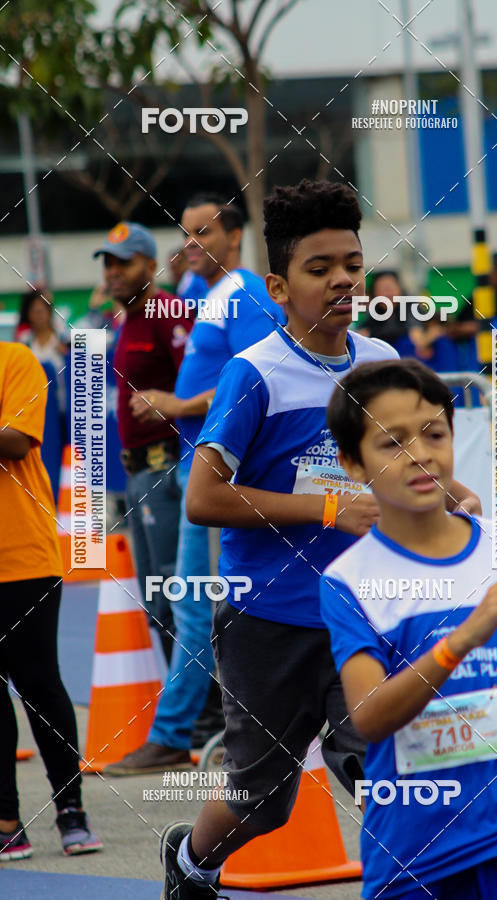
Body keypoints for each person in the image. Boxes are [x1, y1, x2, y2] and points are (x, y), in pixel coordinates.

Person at [158, 179, 481, 898]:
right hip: (267, 619)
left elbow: (407, 457)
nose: (342, 280)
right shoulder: (254, 375)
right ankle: (191, 861)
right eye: (319, 267)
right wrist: (326, 509)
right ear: (278, 286)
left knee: (383, 766)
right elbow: (204, 498)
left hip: (364, 613)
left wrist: (454, 494)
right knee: (261, 800)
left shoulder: (378, 363)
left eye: (353, 265)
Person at [320, 357, 497, 899]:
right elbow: (369, 716)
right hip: (416, 852)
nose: (420, 454)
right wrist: (463, 638)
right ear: (352, 464)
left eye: (434, 434)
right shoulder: (349, 581)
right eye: (392, 442)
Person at [106, 196, 284, 775]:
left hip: (214, 469)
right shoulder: (204, 296)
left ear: (235, 235)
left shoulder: (245, 293)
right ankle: (211, 728)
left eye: (203, 232)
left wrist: (178, 404)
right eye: (185, 233)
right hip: (194, 466)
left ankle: (179, 732)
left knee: (195, 603)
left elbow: (261, 377)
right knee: (197, 603)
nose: (190, 243)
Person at [0, 342, 102, 860]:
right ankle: (6, 819)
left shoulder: (14, 359)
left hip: (22, 557)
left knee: (39, 683)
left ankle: (71, 809)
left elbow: (17, 441)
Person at [93, 221, 193, 664]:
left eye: (124, 262)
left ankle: (203, 703)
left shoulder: (166, 311)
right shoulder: (130, 318)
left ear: (151, 266)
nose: (112, 272)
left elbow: (202, 385)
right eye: (108, 263)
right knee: (159, 602)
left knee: (174, 596)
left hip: (165, 472)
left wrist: (171, 405)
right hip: (141, 476)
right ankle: (188, 700)